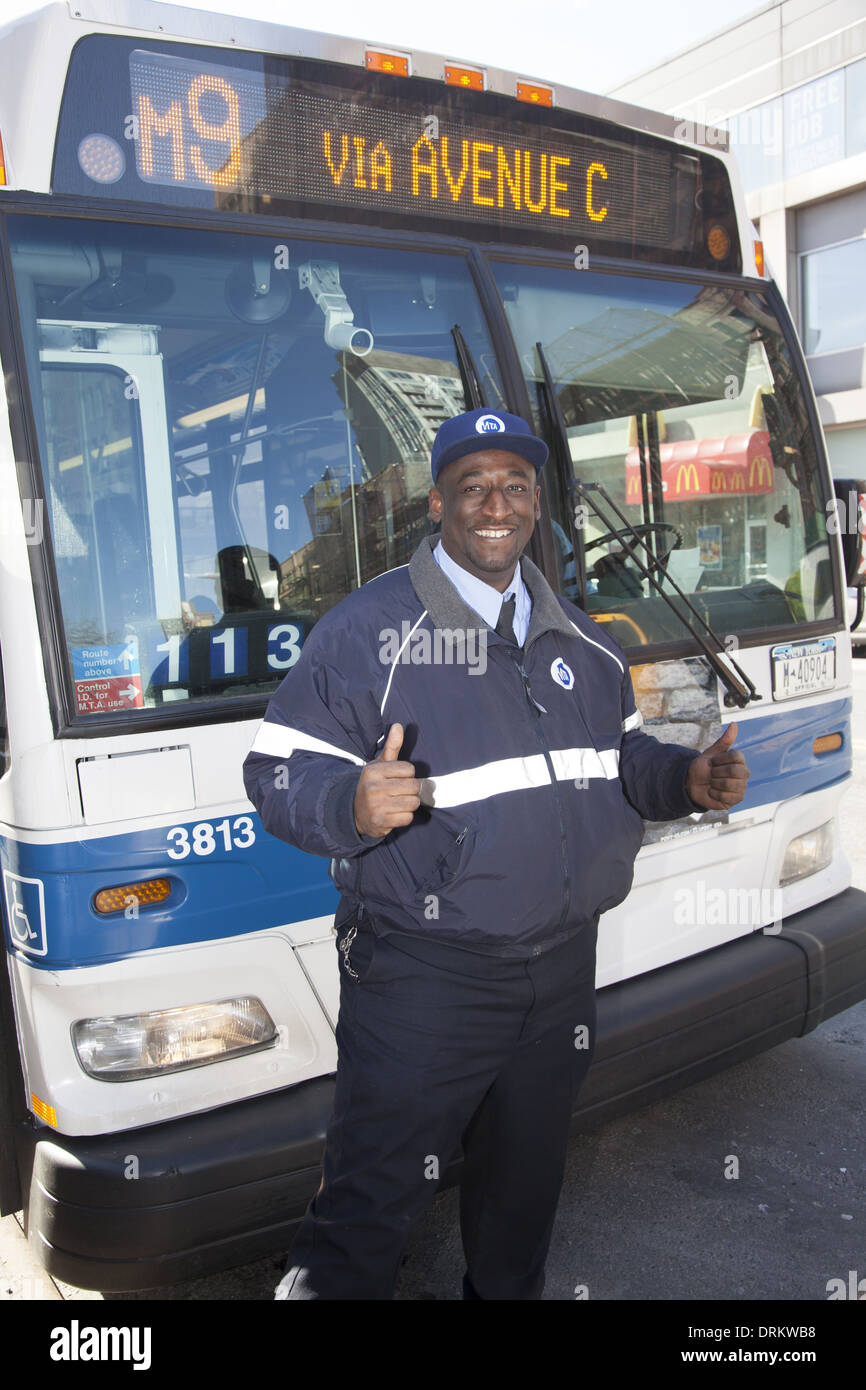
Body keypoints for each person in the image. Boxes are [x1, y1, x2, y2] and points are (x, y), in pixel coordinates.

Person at [242, 406, 750, 1300]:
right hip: (422, 974)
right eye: (473, 485)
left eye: (515, 486)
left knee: (522, 1204)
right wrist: (347, 802)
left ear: (535, 504)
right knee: (366, 1211)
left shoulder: (584, 641)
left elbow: (618, 759)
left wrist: (684, 781)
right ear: (437, 504)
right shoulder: (370, 632)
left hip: (559, 975)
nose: (496, 504)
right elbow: (274, 769)